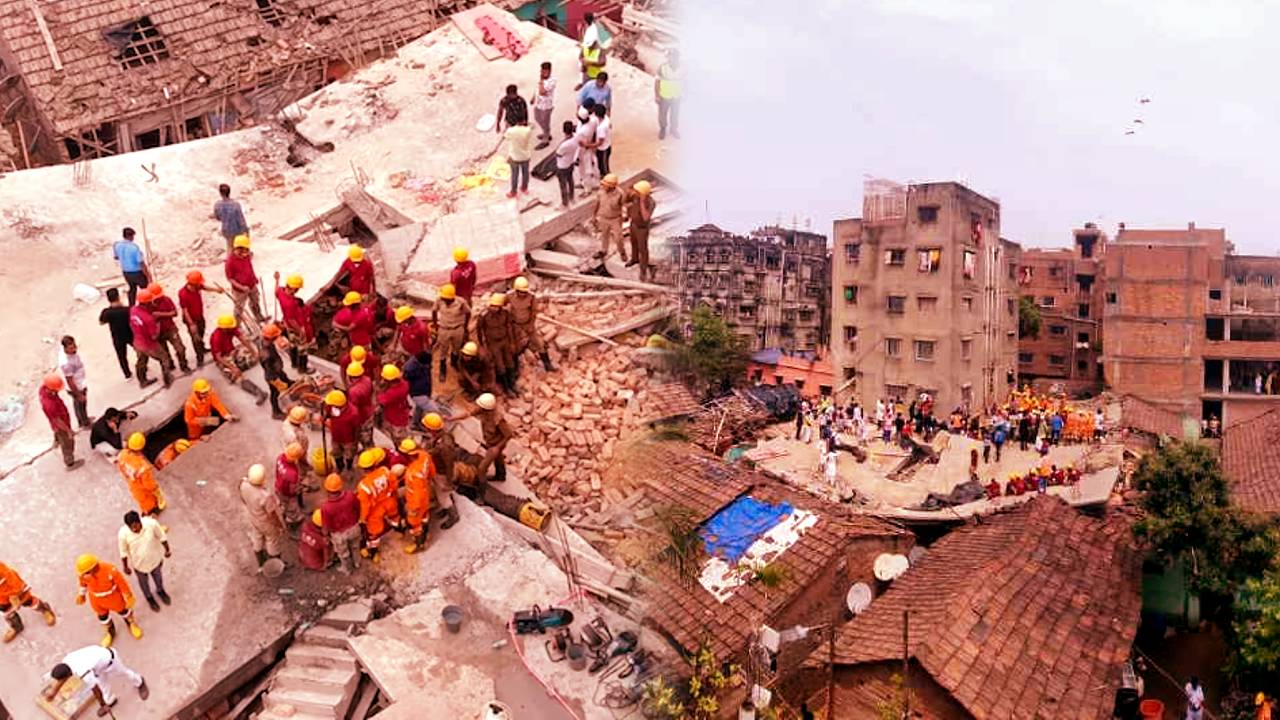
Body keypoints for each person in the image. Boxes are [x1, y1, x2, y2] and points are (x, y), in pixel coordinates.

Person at [46, 645, 148, 717]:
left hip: (110, 661)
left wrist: (102, 705)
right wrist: (54, 692)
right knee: (104, 686)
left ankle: (140, 682)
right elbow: (63, 678)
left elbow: (96, 690)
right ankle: (110, 701)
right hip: (97, 666)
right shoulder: (66, 661)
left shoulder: (82, 671)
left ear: (68, 675)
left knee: (125, 673)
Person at [74, 554, 142, 646]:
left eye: (86, 572)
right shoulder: (84, 575)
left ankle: (131, 623)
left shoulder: (110, 570)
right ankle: (110, 632)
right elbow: (83, 584)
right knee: (103, 617)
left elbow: (122, 583)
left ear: (93, 568)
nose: (84, 575)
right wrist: (81, 595)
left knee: (124, 611)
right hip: (97, 600)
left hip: (113, 597)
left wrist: (128, 596)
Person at [117, 511, 171, 613]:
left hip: (155, 560)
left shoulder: (151, 524)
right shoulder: (122, 535)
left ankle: (160, 591)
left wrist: (167, 550)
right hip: (139, 566)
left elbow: (162, 536)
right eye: (131, 528)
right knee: (144, 584)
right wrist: (125, 566)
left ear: (140, 521)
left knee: (158, 578)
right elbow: (123, 551)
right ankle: (149, 598)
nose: (134, 529)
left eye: (136, 526)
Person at [209, 315, 270, 404]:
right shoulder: (216, 337)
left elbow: (243, 339)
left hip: (232, 352)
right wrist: (232, 368)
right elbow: (218, 357)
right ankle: (258, 392)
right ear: (224, 328)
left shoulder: (230, 328)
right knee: (237, 376)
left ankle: (239, 367)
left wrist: (253, 352)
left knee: (257, 357)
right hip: (223, 358)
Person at [356, 448, 401, 563]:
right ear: (375, 464)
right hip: (389, 501)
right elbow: (394, 483)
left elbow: (365, 505)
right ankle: (399, 530)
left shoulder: (363, 486)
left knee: (373, 533)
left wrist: (362, 518)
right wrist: (392, 493)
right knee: (395, 517)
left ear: (362, 469)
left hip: (375, 510)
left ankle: (374, 553)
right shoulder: (385, 470)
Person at [240, 463, 285, 572]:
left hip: (253, 517)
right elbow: (272, 514)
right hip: (265, 522)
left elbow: (242, 498)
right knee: (272, 540)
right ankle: (275, 565)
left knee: (258, 537)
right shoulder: (265, 496)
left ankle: (261, 563)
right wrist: (279, 525)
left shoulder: (244, 485)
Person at [421, 413, 462, 529]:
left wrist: (449, 481)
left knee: (442, 495)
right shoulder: (442, 437)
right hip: (438, 469)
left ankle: (453, 515)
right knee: (444, 494)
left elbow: (449, 464)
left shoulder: (444, 446)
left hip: (442, 473)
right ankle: (447, 507)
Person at [129, 286, 175, 388]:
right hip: (148, 344)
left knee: (141, 361)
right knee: (164, 358)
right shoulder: (148, 319)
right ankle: (167, 380)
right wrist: (157, 324)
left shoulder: (133, 310)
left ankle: (142, 381)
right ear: (147, 303)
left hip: (137, 342)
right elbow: (154, 336)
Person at [0, 562, 56, 642]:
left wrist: (14, 595)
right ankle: (17, 627)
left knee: (29, 601)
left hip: (14, 590)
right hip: (1, 599)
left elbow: (12, 577)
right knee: (8, 612)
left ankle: (45, 609)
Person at [508, 276, 554, 373]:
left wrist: (530, 325)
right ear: (516, 290)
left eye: (524, 292)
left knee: (539, 344)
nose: (523, 294)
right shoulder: (510, 296)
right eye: (521, 292)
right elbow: (502, 305)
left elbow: (534, 312)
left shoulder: (531, 297)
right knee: (515, 346)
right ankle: (516, 368)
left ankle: (547, 364)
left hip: (528, 324)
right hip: (516, 325)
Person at [40, 374, 83, 470]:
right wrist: (69, 431)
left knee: (59, 434)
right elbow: (58, 421)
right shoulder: (49, 404)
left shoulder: (44, 390)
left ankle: (57, 440)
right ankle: (70, 462)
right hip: (61, 424)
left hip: (56, 423)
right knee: (68, 442)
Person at [320, 473, 362, 573]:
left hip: (339, 534)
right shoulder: (351, 496)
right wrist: (356, 520)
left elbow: (326, 525)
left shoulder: (326, 507)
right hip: (354, 527)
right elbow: (358, 508)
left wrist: (325, 536)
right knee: (355, 546)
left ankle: (347, 569)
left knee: (343, 553)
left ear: (327, 489)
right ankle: (357, 563)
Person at [477, 293, 518, 395]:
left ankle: (513, 384)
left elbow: (509, 327)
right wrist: (482, 345)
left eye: (497, 307)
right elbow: (479, 330)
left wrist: (512, 342)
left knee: (510, 363)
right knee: (500, 366)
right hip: (493, 343)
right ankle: (507, 388)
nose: (494, 309)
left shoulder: (505, 313)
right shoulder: (484, 316)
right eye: (493, 306)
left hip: (504, 340)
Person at [399, 439, 435, 553]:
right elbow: (432, 472)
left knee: (415, 524)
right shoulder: (425, 455)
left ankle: (419, 544)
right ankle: (426, 534)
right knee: (424, 517)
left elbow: (417, 494)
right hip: (425, 493)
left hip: (416, 501)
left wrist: (413, 509)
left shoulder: (413, 473)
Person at [146, 284, 191, 373]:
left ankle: (183, 365)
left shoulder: (166, 300)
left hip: (170, 328)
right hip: (157, 332)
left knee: (180, 348)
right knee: (164, 352)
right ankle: (170, 364)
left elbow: (174, 313)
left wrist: (159, 314)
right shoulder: (146, 305)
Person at [178, 270, 220, 367]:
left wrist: (216, 290)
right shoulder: (183, 293)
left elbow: (204, 287)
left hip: (199, 316)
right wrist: (191, 324)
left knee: (201, 332)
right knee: (195, 338)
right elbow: (185, 310)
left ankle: (202, 348)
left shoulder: (196, 286)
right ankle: (199, 357)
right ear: (193, 283)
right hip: (191, 319)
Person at [275, 273, 315, 373]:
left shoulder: (281, 291)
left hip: (288, 326)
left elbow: (276, 290)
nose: (297, 291)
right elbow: (292, 319)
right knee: (303, 349)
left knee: (293, 345)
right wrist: (300, 331)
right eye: (297, 289)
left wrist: (276, 279)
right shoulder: (289, 303)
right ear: (294, 288)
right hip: (294, 326)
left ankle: (294, 363)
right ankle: (303, 368)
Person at [431, 283, 470, 381]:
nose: (444, 299)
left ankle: (454, 362)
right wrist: (435, 324)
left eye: (446, 298)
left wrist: (465, 327)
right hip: (444, 329)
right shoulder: (439, 300)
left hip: (457, 329)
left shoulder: (461, 302)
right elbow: (434, 311)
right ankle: (442, 369)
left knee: (456, 348)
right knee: (443, 350)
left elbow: (468, 313)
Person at [118, 433, 163, 516]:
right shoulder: (143, 467)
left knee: (142, 503)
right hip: (144, 491)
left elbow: (121, 469)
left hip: (133, 485)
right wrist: (155, 488)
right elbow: (148, 484)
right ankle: (151, 514)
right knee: (150, 505)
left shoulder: (122, 455)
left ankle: (147, 511)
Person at [225, 235, 266, 323]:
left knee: (255, 301)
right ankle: (237, 325)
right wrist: (241, 287)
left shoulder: (246, 256)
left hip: (251, 285)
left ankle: (258, 316)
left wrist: (254, 278)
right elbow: (230, 279)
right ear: (238, 249)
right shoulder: (230, 262)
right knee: (239, 308)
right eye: (243, 250)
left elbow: (249, 267)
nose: (245, 252)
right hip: (239, 290)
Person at [474, 393, 513, 484]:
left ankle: (483, 488)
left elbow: (509, 435)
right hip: (490, 441)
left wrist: (497, 447)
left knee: (482, 468)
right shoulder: (482, 411)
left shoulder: (498, 419)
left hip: (496, 444)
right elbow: (469, 413)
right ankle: (500, 475)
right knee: (498, 459)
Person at [259, 323, 294, 420]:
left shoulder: (264, 341)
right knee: (275, 393)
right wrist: (276, 381)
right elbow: (269, 371)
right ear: (270, 338)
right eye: (275, 337)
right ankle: (276, 412)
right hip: (272, 376)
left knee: (285, 378)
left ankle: (290, 383)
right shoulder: (266, 355)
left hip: (277, 370)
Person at [99, 288, 135, 379]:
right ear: (118, 297)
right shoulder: (127, 310)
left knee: (122, 356)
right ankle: (143, 366)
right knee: (140, 350)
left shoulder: (106, 312)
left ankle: (127, 374)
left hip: (117, 337)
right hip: (130, 334)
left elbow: (101, 322)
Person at [58, 335, 92, 429]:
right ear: (66, 348)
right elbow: (70, 381)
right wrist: (78, 394)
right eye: (71, 348)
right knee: (81, 403)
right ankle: (85, 423)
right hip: (76, 386)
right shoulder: (66, 364)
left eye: (74, 346)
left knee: (78, 404)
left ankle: (83, 420)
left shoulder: (67, 352)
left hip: (80, 381)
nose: (74, 349)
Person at [112, 227, 150, 306]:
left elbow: (116, 257)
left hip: (126, 272)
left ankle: (131, 306)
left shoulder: (117, 245)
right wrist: (148, 275)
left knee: (132, 289)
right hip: (137, 272)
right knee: (145, 289)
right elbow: (141, 263)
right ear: (131, 236)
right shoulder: (134, 247)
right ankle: (144, 306)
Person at [325, 390, 360, 475]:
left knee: (349, 454)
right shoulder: (330, 406)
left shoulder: (353, 413)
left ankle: (349, 467)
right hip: (335, 436)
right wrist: (325, 419)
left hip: (348, 439)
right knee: (336, 453)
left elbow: (356, 427)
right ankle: (339, 466)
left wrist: (355, 441)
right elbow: (327, 414)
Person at [627, 180, 656, 281]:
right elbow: (628, 197)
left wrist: (642, 202)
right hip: (633, 224)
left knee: (642, 249)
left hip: (642, 228)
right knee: (633, 243)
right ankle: (634, 259)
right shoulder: (635, 197)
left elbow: (645, 217)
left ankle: (643, 270)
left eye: (638, 192)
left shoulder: (651, 202)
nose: (636, 193)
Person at [376, 365, 413, 445]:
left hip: (395, 419)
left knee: (398, 439)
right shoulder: (404, 384)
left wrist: (380, 389)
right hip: (402, 413)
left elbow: (380, 400)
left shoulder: (391, 394)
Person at [594, 174, 627, 261]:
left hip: (615, 219)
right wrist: (594, 215)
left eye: (606, 185)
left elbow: (624, 205)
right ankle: (604, 251)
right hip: (604, 218)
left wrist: (624, 214)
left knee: (618, 238)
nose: (603, 186)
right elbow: (597, 203)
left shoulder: (620, 194)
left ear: (612, 186)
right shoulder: (601, 192)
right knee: (604, 236)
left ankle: (622, 252)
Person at [345, 361, 375, 449]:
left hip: (362, 417)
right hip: (369, 413)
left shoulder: (354, 391)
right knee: (368, 438)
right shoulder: (367, 379)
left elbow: (354, 411)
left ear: (350, 376)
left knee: (363, 439)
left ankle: (369, 456)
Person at [276, 442, 306, 527]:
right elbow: (292, 491)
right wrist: (297, 491)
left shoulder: (280, 457)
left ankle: (286, 510)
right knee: (292, 510)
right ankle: (293, 524)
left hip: (278, 486)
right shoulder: (292, 474)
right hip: (287, 494)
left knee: (285, 504)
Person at [212, 183, 249, 251]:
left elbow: (217, 217)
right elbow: (241, 219)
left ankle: (230, 260)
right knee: (238, 247)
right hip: (237, 229)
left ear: (220, 193)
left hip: (226, 230)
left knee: (229, 246)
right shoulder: (235, 204)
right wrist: (245, 230)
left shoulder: (217, 205)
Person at [403, 351, 436, 428]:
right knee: (435, 411)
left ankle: (415, 423)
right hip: (417, 393)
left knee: (419, 408)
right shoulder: (410, 369)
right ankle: (431, 426)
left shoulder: (422, 361)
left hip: (424, 390)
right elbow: (406, 381)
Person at [505, 115, 534, 199]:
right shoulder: (528, 130)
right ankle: (524, 188)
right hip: (525, 155)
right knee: (525, 173)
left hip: (514, 156)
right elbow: (530, 128)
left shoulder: (510, 131)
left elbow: (506, 137)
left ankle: (513, 191)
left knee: (514, 174)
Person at [655, 49, 681, 139]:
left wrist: (685, 93)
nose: (672, 58)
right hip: (664, 95)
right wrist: (657, 95)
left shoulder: (683, 68)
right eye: (670, 56)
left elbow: (686, 81)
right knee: (663, 114)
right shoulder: (662, 67)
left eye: (674, 56)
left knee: (675, 114)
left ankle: (674, 130)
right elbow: (657, 82)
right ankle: (663, 129)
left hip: (677, 95)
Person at [554, 120, 580, 207]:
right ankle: (571, 196)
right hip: (570, 162)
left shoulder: (564, 145)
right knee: (570, 180)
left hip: (562, 166)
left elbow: (558, 154)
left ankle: (565, 203)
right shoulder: (576, 137)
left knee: (563, 185)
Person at [532, 61, 556, 149]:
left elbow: (542, 92)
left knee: (545, 122)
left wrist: (541, 80)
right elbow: (536, 89)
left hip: (546, 106)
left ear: (549, 71)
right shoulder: (541, 78)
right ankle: (546, 132)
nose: (542, 73)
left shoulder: (552, 81)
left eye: (545, 71)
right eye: (541, 71)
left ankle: (546, 139)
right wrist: (533, 97)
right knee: (537, 118)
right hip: (538, 103)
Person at [592, 102, 613, 175]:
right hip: (606, 146)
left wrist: (589, 145)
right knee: (601, 165)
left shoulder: (602, 127)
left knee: (604, 168)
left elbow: (600, 142)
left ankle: (607, 180)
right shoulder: (606, 118)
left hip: (603, 149)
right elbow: (610, 126)